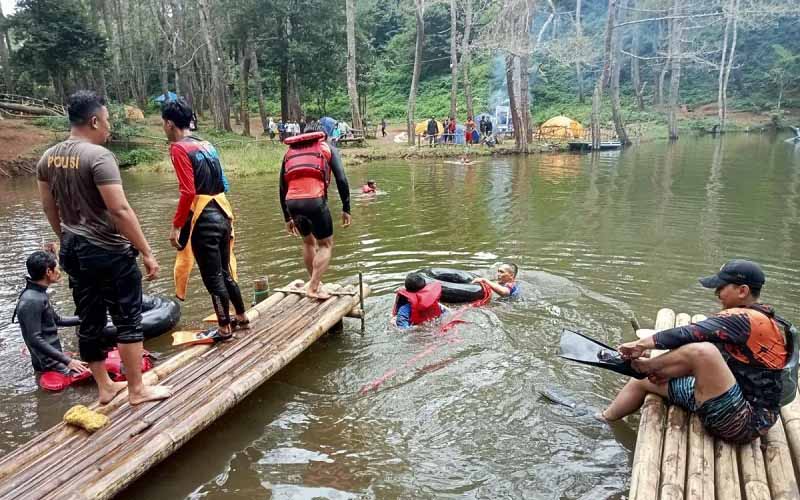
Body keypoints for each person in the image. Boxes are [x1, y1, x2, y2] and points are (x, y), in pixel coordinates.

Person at [37, 90, 170, 405]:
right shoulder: (98, 157)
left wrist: (67, 237)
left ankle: (106, 388)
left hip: (73, 251)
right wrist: (147, 252)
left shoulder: (47, 158)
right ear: (94, 120)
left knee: (90, 318)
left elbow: (48, 208)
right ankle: (137, 389)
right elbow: (119, 210)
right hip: (108, 251)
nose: (109, 128)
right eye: (107, 121)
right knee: (128, 318)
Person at [599, 260, 793, 444]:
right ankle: (605, 419)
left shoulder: (742, 319)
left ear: (743, 291)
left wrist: (642, 345)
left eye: (722, 287)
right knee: (642, 381)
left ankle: (644, 367)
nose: (717, 293)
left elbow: (688, 334)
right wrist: (668, 368)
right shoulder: (764, 317)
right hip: (731, 397)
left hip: (745, 421)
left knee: (703, 351)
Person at [162, 98, 249, 340]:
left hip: (204, 220)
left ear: (169, 123)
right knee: (225, 271)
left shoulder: (179, 148)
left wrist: (177, 226)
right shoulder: (206, 144)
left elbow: (188, 191)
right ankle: (241, 317)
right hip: (222, 212)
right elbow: (224, 183)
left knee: (213, 278)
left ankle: (224, 328)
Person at [279, 122, 352, 299]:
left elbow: (282, 186)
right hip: (314, 200)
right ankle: (313, 287)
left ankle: (315, 283)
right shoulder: (326, 148)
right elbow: (341, 179)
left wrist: (287, 216)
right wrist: (346, 208)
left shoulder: (290, 152)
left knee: (308, 242)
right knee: (325, 245)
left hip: (292, 202)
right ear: (322, 135)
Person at [13, 250, 88, 377]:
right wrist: (68, 361)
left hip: (54, 360)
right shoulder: (32, 300)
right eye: (57, 268)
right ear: (48, 272)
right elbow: (34, 339)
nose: (60, 272)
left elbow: (57, 320)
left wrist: (87, 318)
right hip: (50, 364)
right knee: (99, 377)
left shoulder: (37, 294)